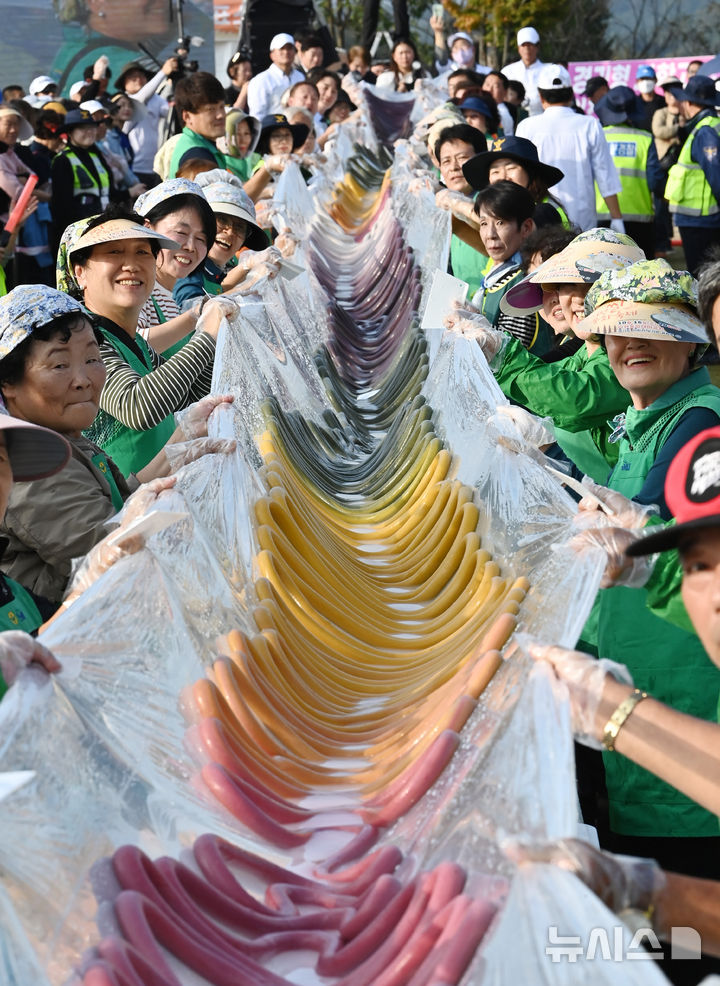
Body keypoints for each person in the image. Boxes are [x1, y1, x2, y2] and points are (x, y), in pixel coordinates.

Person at [568, 260, 720, 878]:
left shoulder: (697, 422)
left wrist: (632, 528)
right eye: (615, 332)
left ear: (689, 342)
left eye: (650, 330)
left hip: (680, 698)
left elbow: (662, 528)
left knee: (677, 912)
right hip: (643, 675)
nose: (629, 344)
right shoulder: (646, 419)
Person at [0, 284, 233, 603]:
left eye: (93, 358)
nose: (83, 379)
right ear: (8, 384)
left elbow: (119, 505)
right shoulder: (31, 468)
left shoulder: (69, 438)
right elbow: (115, 552)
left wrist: (182, 441)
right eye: (59, 365)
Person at [449, 229, 644, 482]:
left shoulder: (629, 349)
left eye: (587, 284)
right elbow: (553, 380)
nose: (571, 299)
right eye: (562, 287)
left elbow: (576, 399)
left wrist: (501, 355)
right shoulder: (586, 348)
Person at [63, 206, 233, 477]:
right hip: (117, 510)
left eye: (142, 252)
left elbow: (189, 396)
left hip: (156, 502)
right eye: (114, 252)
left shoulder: (136, 344)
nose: (131, 264)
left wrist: (224, 333)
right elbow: (137, 407)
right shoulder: (83, 341)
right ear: (80, 273)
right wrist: (208, 335)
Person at [517, 64, 623, 233]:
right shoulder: (590, 125)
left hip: (538, 220)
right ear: (570, 95)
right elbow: (605, 176)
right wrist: (617, 218)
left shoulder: (526, 127)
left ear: (540, 96)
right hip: (582, 222)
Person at [133, 177, 217, 357]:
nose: (190, 246)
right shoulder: (136, 291)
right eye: (181, 233)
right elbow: (130, 347)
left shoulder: (169, 299)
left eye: (201, 239)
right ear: (147, 228)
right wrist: (195, 315)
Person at [472, 181, 550, 352]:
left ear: (526, 227)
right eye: (484, 223)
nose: (490, 235)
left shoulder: (522, 285)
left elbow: (506, 355)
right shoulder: (500, 275)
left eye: (500, 222)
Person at [174, 170, 273, 305]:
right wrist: (249, 284)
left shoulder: (222, 267)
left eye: (239, 227)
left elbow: (220, 290)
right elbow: (192, 312)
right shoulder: (187, 264)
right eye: (222, 220)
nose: (230, 231)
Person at [594, 85, 662, 259]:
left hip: (602, 215)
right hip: (639, 218)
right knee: (641, 275)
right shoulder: (645, 139)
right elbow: (655, 181)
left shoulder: (599, 136)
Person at [665, 75, 720, 276]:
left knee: (702, 278)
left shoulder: (705, 131)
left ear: (688, 103)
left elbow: (716, 174)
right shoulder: (706, 126)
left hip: (702, 220)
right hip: (699, 219)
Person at [462, 134, 570, 228]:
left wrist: (456, 203)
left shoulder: (544, 211)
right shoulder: (515, 209)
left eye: (511, 168)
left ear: (531, 174)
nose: (502, 177)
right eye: (495, 172)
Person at [49, 107, 116, 254]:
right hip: (78, 231)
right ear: (70, 133)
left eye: (92, 127)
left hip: (104, 226)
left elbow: (110, 193)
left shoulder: (96, 156)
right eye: (83, 128)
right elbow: (61, 206)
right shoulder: (63, 160)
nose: (90, 132)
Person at [433, 123, 488, 295]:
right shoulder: (446, 205)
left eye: (462, 158)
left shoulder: (491, 200)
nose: (454, 167)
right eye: (446, 161)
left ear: (481, 159)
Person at [116, 57, 178, 189]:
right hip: (135, 168)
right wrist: (163, 72)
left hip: (156, 167)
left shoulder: (156, 99)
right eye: (133, 77)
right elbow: (141, 99)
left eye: (141, 76)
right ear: (124, 83)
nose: (138, 79)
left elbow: (170, 112)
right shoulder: (126, 103)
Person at [167, 72, 228, 178]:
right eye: (211, 109)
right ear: (187, 117)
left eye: (222, 107)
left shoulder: (191, 143)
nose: (221, 115)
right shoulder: (198, 158)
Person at [246, 34, 305, 121]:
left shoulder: (300, 77)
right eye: (281, 49)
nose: (286, 52)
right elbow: (257, 115)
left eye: (289, 48)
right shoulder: (261, 80)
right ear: (272, 55)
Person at [501, 27, 545, 116]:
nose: (527, 49)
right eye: (523, 45)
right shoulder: (507, 71)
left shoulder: (549, 70)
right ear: (518, 48)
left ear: (537, 47)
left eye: (530, 45)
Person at [221, 108, 261, 183]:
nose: (243, 140)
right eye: (237, 134)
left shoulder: (256, 159)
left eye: (246, 133)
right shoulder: (220, 164)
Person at [634, 64, 665, 132]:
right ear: (637, 81)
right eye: (642, 79)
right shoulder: (633, 103)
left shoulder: (664, 102)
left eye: (648, 78)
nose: (645, 82)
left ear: (655, 80)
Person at [482, 71, 514, 136]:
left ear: (505, 91)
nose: (489, 89)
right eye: (487, 84)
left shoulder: (503, 113)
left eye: (495, 86)